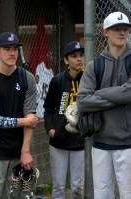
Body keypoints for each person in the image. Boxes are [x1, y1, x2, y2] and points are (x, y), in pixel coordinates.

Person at [0, 32, 39, 199]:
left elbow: (30, 117)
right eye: (6, 49)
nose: (12, 53)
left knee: (17, 195)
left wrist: (25, 150)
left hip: (19, 149)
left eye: (15, 49)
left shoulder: (27, 78)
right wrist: (25, 120)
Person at [77, 11, 131, 199]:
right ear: (106, 32)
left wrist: (99, 94)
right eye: (117, 29)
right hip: (100, 143)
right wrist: (121, 94)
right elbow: (82, 102)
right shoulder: (95, 66)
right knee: (102, 195)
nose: (122, 32)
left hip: (128, 143)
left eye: (125, 29)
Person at [44, 41, 85, 199]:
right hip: (59, 141)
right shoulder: (58, 80)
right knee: (59, 186)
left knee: (77, 187)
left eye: (81, 55)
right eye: (74, 56)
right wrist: (50, 129)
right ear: (66, 61)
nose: (79, 59)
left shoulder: (88, 79)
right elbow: (48, 108)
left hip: (80, 141)